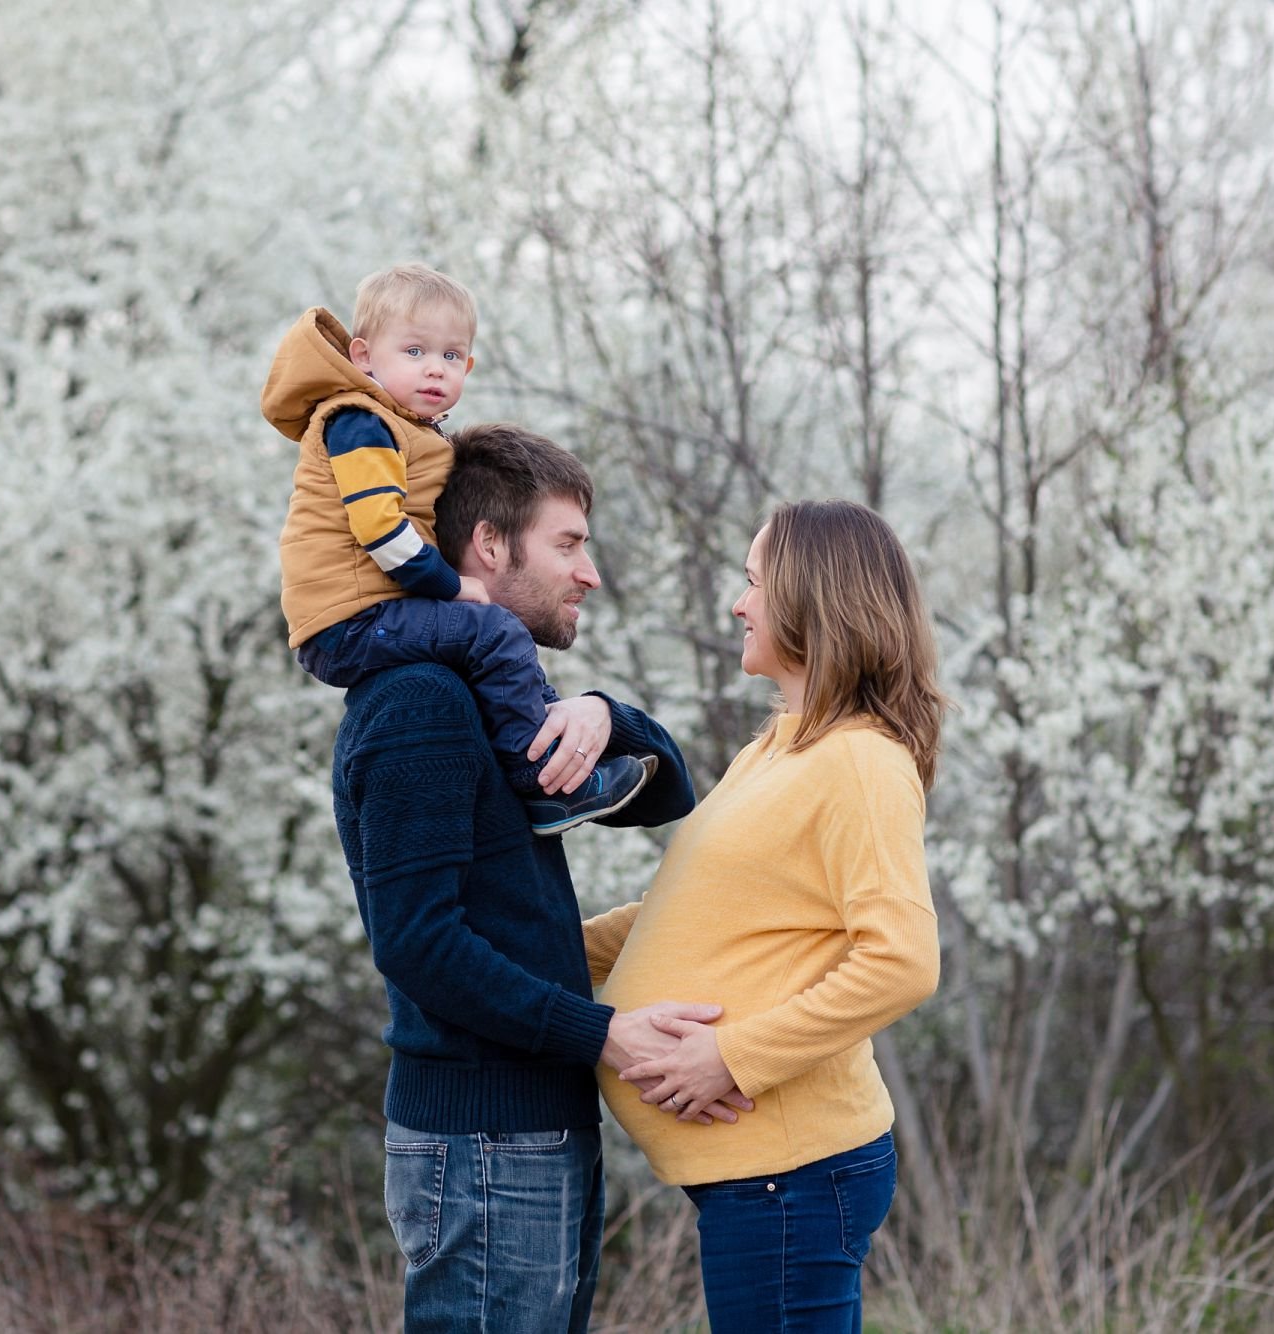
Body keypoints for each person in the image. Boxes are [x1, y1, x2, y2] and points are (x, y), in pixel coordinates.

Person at [330, 423, 748, 1334]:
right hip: (484, 1146)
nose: (588, 573)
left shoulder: (485, 691)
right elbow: (419, 944)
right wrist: (602, 1034)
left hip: (525, 1134)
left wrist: (605, 713)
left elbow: (664, 794)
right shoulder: (422, 705)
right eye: (568, 545)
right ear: (488, 546)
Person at [585, 499, 947, 1332]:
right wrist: (530, 949)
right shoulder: (780, 747)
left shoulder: (860, 761)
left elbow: (902, 960)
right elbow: (695, 910)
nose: (738, 603)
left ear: (811, 601)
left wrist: (732, 1057)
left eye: (753, 583)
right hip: (765, 1173)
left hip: (795, 1169)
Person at [263, 262, 651, 835]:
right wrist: (450, 584)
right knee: (489, 627)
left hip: (367, 612)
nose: (434, 370)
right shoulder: (359, 423)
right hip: (347, 620)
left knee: (493, 636)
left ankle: (549, 739)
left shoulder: (402, 427)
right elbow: (379, 530)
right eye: (414, 351)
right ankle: (538, 778)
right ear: (365, 357)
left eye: (450, 357)